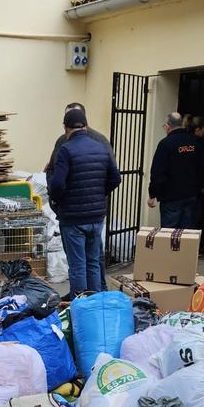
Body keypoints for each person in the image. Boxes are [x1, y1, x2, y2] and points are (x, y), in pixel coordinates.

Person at [47, 106, 121, 299]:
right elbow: (115, 178)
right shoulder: (101, 147)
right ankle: (96, 303)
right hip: (97, 217)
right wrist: (99, 193)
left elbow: (57, 184)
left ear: (66, 128)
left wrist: (59, 200)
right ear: (85, 126)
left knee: (78, 265)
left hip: (73, 218)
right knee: (93, 262)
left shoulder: (66, 149)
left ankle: (79, 305)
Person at [147, 111, 204, 229]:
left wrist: (152, 193)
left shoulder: (165, 144)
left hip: (171, 198)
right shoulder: (194, 142)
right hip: (191, 196)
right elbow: (201, 168)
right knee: (186, 235)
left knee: (169, 236)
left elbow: (158, 172)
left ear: (168, 126)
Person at [44, 102, 112, 177]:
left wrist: (99, 188)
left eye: (75, 115)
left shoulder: (99, 140)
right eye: (68, 116)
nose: (72, 119)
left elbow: (112, 173)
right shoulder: (61, 140)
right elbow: (51, 168)